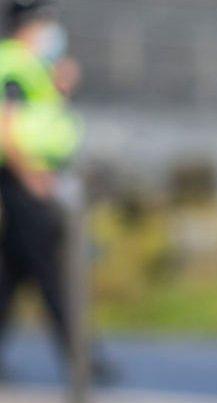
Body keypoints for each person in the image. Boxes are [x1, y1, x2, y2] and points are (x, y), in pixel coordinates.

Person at [0, 0, 108, 381]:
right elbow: (5, 124)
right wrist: (30, 174)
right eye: (45, 22)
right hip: (28, 177)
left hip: (40, 175)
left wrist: (60, 88)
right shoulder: (12, 62)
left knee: (11, 272)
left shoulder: (34, 66)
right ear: (28, 25)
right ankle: (83, 360)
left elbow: (42, 119)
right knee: (55, 269)